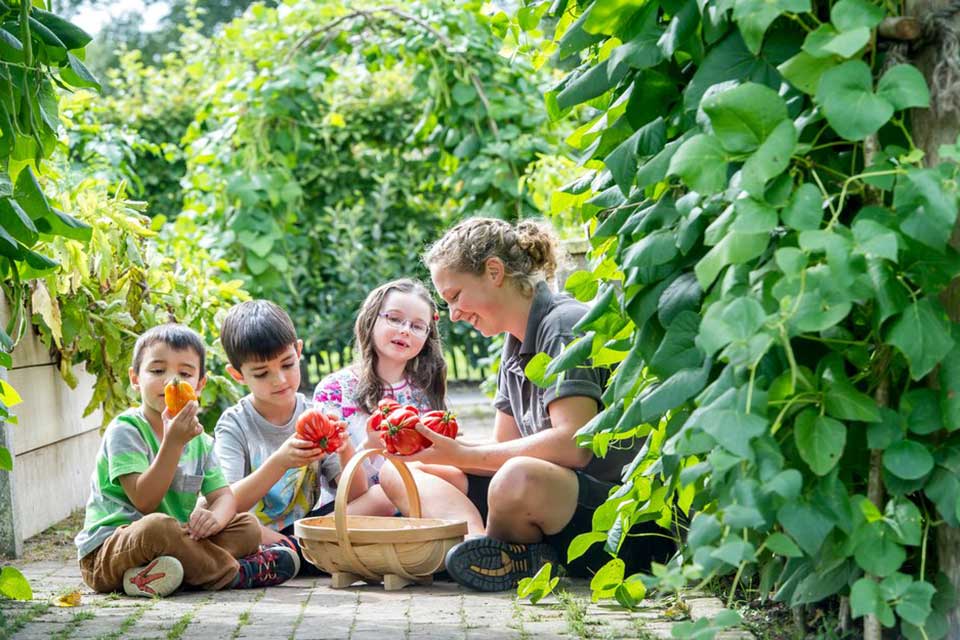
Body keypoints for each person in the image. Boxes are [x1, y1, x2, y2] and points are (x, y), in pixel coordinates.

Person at [379, 217, 674, 592]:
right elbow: (501, 448)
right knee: (399, 471)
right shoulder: (515, 343)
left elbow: (573, 445)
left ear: (494, 272)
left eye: (455, 296)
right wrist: (436, 454)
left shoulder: (564, 324)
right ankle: (479, 548)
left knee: (516, 477)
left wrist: (458, 454)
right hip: (551, 513)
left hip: (620, 525)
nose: (452, 313)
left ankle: (494, 554)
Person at [75, 323, 299, 598]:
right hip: (110, 550)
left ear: (200, 384)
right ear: (135, 379)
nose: (172, 381)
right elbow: (145, 501)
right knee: (158, 527)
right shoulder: (126, 430)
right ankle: (235, 573)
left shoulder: (200, 440)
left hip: (173, 546)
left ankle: (151, 578)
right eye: (157, 371)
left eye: (185, 373)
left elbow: (224, 497)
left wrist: (215, 519)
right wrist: (173, 443)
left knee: (247, 527)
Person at [214, 300, 367, 571]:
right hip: (253, 532)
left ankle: (292, 554)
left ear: (298, 351)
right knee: (225, 524)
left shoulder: (316, 414)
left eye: (287, 364)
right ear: (237, 374)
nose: (280, 380)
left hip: (308, 527)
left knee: (379, 498)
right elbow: (224, 503)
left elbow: (356, 495)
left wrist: (344, 450)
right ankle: (303, 554)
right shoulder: (234, 424)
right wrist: (280, 461)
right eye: (262, 373)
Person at [313, 278, 447, 516]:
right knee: (383, 496)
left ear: (427, 337)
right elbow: (340, 486)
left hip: (415, 508)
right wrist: (370, 446)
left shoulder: (426, 393)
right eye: (394, 319)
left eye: (417, 326)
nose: (405, 330)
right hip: (353, 512)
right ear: (371, 320)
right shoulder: (334, 391)